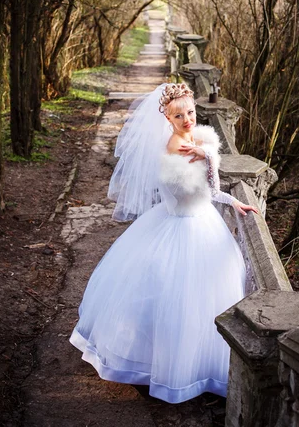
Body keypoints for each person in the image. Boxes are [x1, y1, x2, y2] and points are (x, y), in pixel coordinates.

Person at [70, 82, 258, 404]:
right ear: (167, 119)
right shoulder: (174, 151)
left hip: (201, 223)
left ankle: (201, 362)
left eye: (191, 112)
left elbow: (212, 194)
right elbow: (198, 193)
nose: (187, 120)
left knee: (206, 300)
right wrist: (208, 157)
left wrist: (234, 202)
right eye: (179, 116)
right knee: (180, 302)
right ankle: (174, 371)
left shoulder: (194, 140)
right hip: (184, 230)